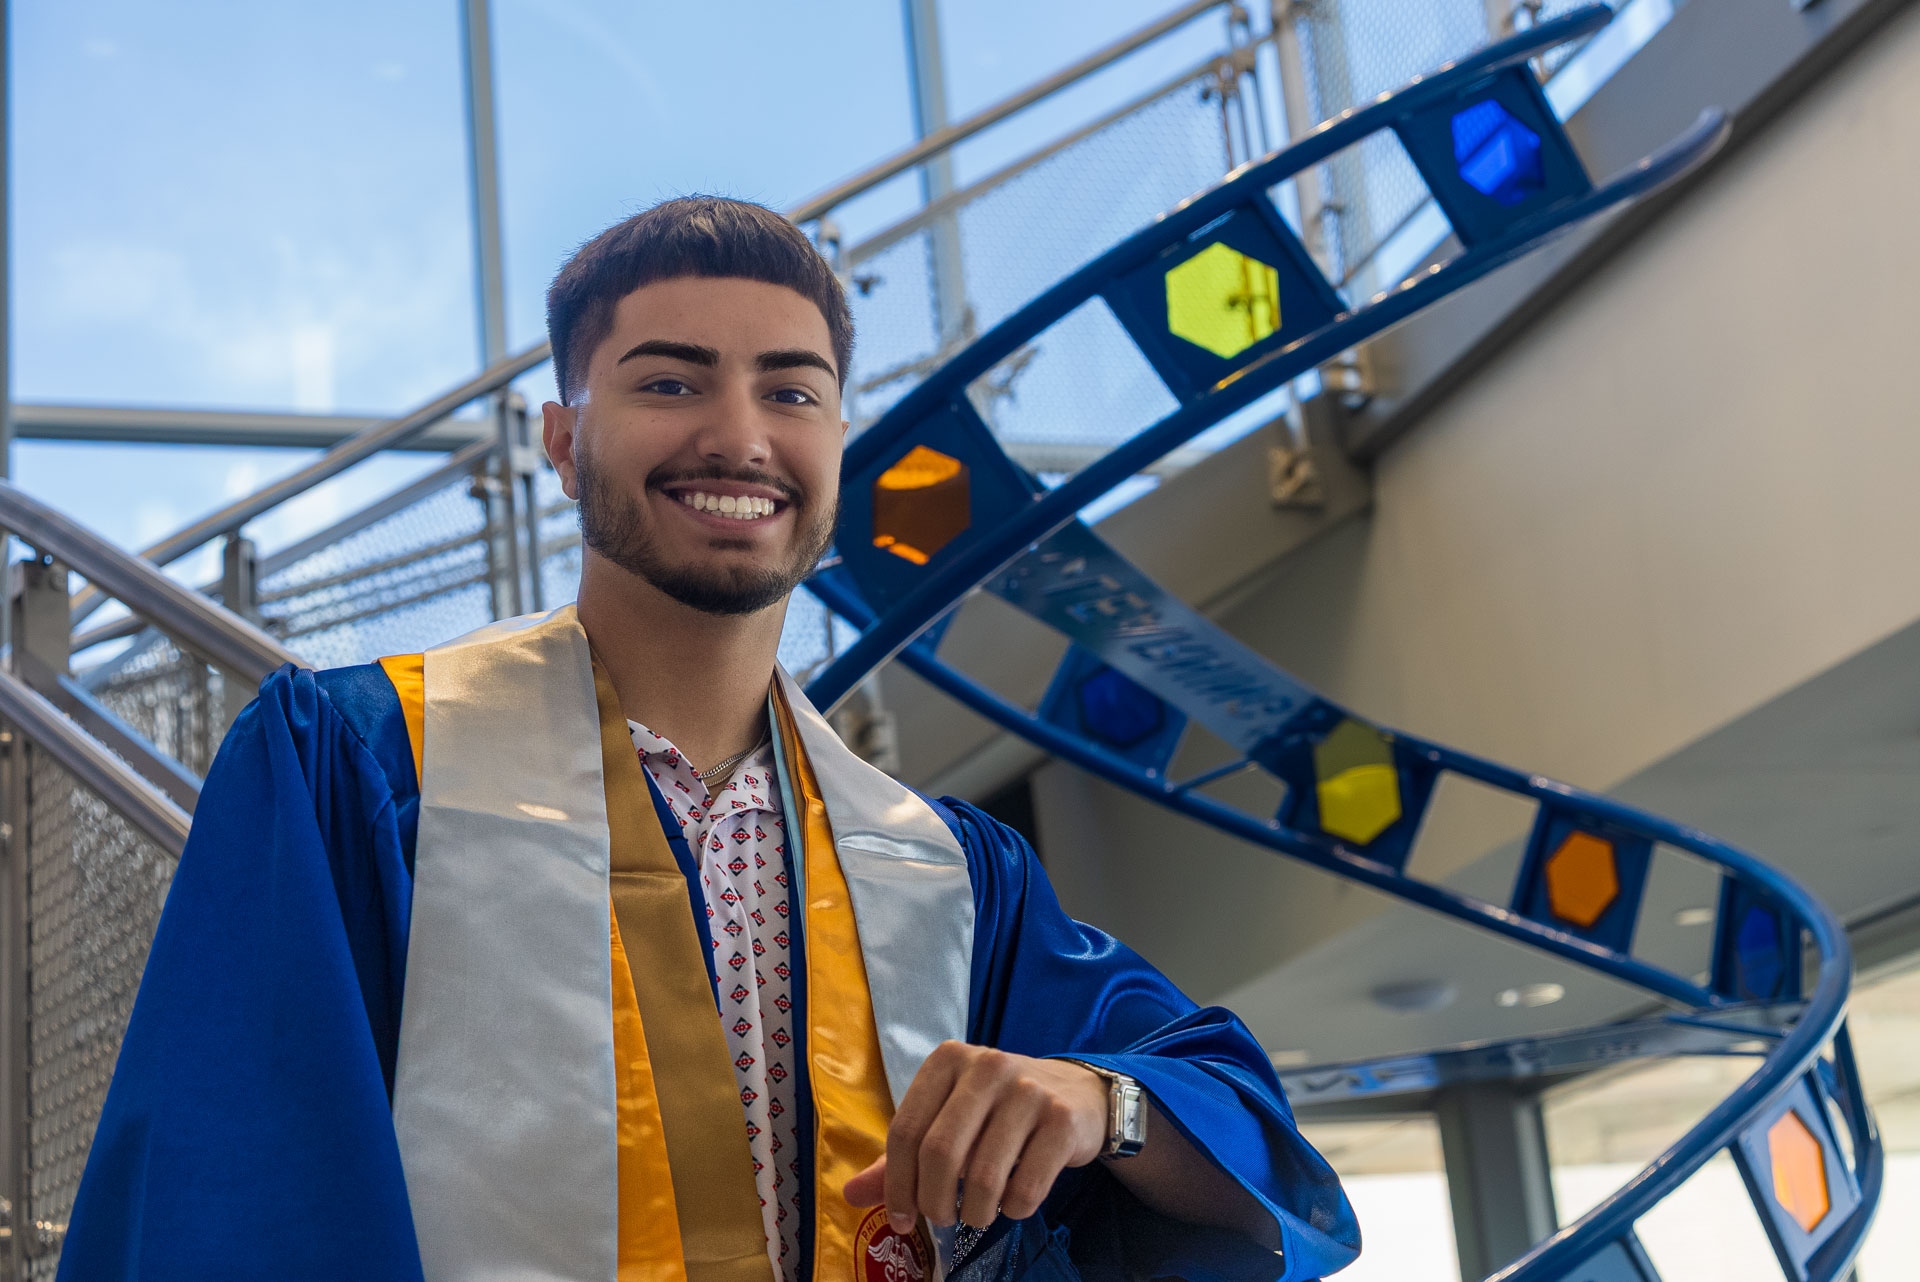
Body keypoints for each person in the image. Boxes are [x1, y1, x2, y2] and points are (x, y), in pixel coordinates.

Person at [57, 197, 1359, 1282]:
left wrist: (1096, 1101)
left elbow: (1244, 1140)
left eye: (791, 390)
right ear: (563, 441)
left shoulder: (948, 872)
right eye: (670, 380)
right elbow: (233, 1203)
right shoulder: (357, 769)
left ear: (838, 449)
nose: (738, 435)